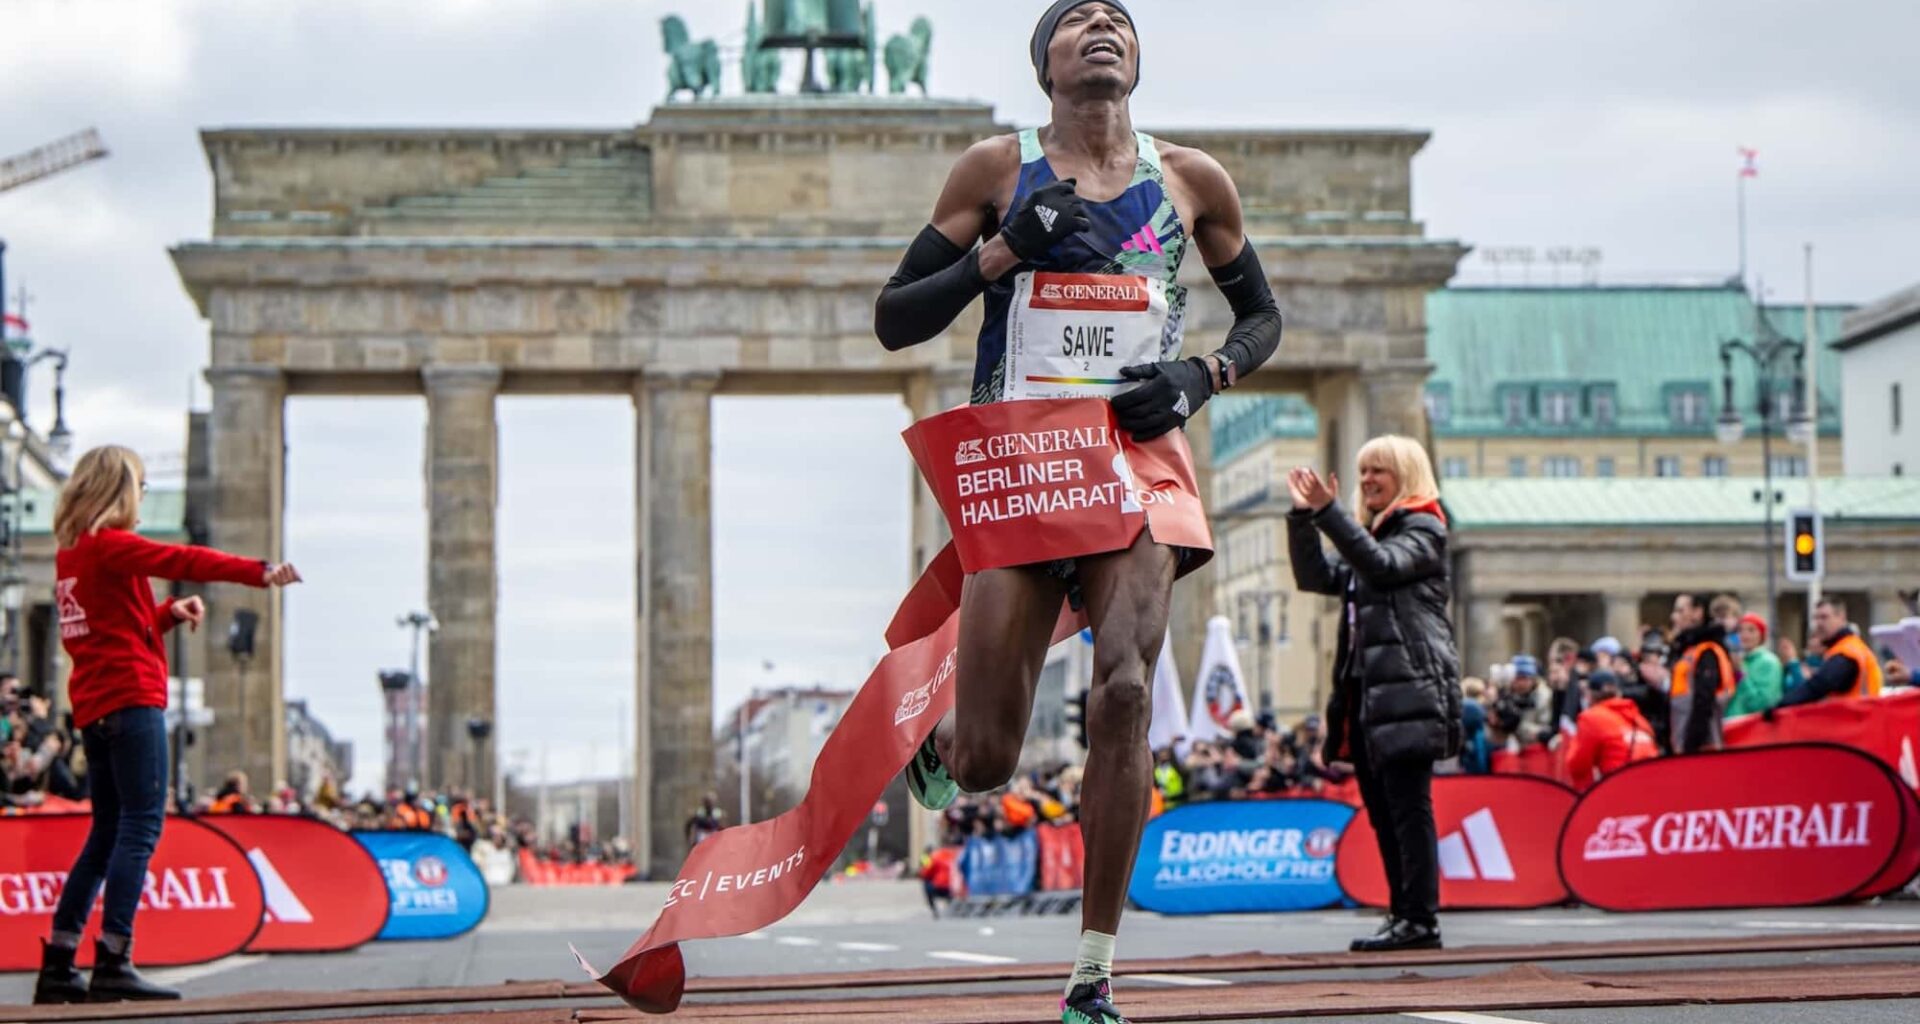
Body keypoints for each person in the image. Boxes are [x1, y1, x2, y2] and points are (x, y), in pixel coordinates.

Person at [872, 3, 1283, 1019]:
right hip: (1023, 458)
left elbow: (1264, 315)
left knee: (1127, 691)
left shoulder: (1190, 179)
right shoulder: (994, 171)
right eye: (1077, 20)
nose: (1103, 26)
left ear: (1136, 60)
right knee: (988, 760)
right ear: (1044, 63)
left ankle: (1093, 971)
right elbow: (895, 317)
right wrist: (999, 256)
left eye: (1119, 20)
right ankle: (948, 741)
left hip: (1139, 452)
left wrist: (1200, 375)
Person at [36, 446, 300, 1005]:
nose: (143, 496)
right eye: (142, 486)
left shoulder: (73, 554)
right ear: (120, 490)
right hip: (132, 700)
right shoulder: (113, 545)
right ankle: (114, 956)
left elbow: (99, 632)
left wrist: (165, 615)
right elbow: (184, 560)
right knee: (140, 827)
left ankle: (59, 962)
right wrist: (258, 572)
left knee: (105, 832)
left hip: (96, 704)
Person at [1287, 436, 1459, 953]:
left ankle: (1421, 919)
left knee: (1409, 809)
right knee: (1386, 812)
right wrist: (1302, 519)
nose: (1367, 481)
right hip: (1370, 697)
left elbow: (1382, 566)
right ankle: (1402, 913)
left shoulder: (1425, 526)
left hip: (1409, 690)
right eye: (1363, 473)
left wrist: (1328, 512)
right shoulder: (1376, 534)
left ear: (1406, 475)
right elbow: (1316, 576)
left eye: (1378, 471)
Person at [1779, 597, 1884, 707]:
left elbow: (1818, 685)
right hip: (1856, 718)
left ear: (1841, 617)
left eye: (1824, 617)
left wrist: (1778, 707)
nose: (1818, 623)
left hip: (1854, 720)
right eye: (1816, 618)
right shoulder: (1846, 648)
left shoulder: (1847, 652)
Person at [1563, 671, 1659, 791]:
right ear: (1618, 693)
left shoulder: (1592, 717)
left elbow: (1578, 764)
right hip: (1652, 785)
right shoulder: (1638, 719)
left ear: (1589, 695)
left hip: (1619, 787)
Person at [1666, 593, 1734, 754]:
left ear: (1698, 612)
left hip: (1700, 745)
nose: (1675, 617)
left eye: (1681, 611)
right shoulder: (1689, 650)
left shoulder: (1706, 651)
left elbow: (1704, 701)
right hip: (1684, 739)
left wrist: (1692, 745)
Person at [1726, 613, 1783, 717]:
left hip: (1752, 728)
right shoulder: (1736, 661)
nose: (1744, 635)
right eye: (1740, 630)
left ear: (1761, 635)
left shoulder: (1769, 662)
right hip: (1730, 726)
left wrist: (1740, 673)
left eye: (1751, 630)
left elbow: (1762, 705)